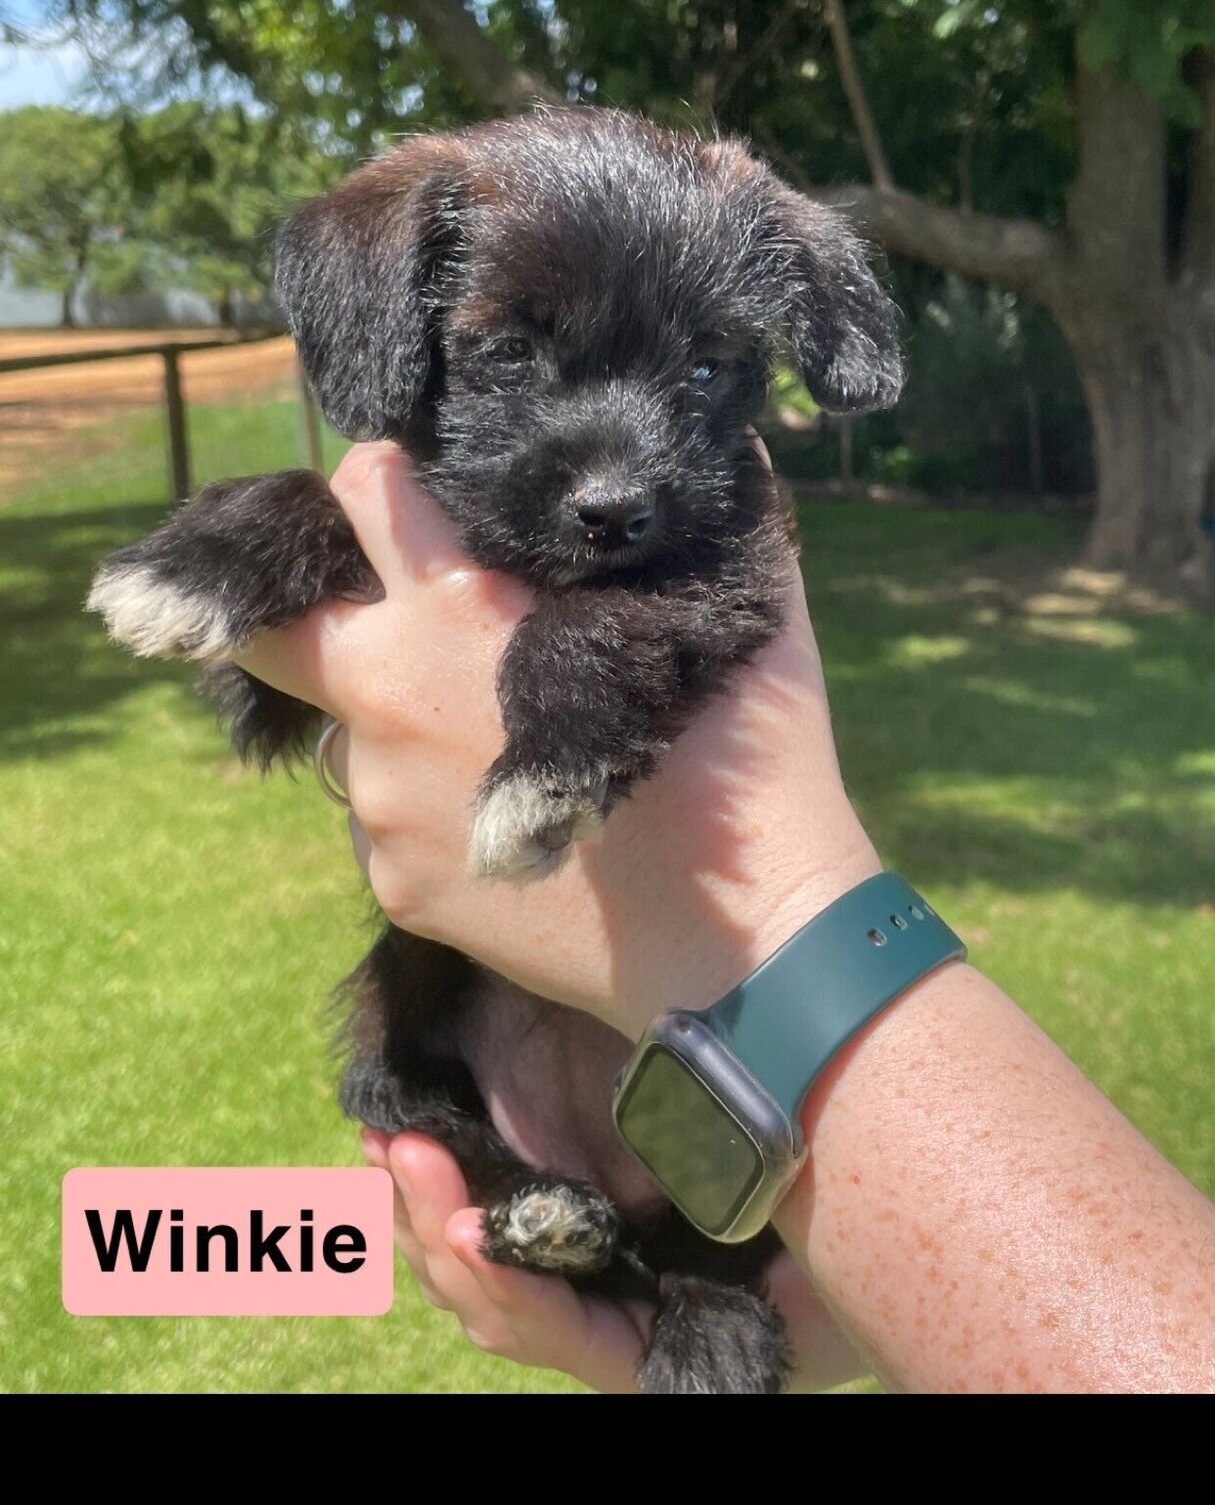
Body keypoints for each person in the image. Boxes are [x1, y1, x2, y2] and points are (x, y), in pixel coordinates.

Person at [240, 444, 1215, 1393]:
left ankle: (690, 1280)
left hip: (694, 1205)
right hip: (514, 1106)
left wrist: (749, 927)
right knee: (411, 1085)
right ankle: (604, 1240)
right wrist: (876, 1304)